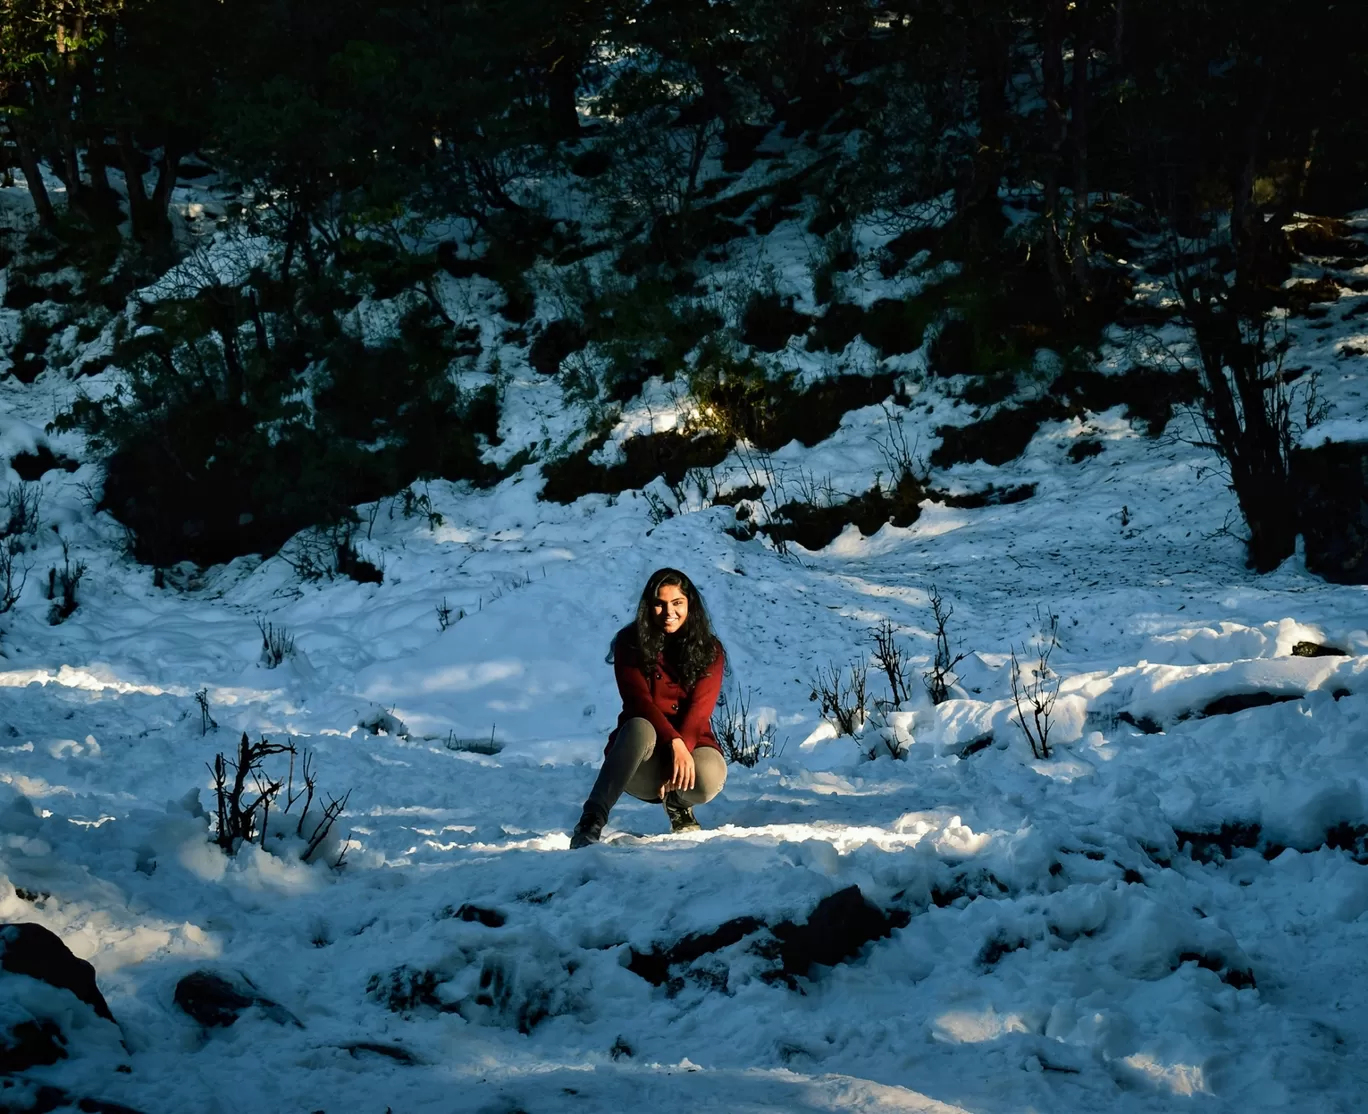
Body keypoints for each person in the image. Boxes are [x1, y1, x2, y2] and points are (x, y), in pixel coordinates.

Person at [569, 568, 727, 848]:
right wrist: (675, 743)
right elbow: (638, 700)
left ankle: (678, 804)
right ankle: (592, 819)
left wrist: (684, 747)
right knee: (640, 725)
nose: (669, 611)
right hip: (641, 756)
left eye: (677, 603)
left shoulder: (710, 650)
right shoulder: (630, 643)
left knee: (711, 775)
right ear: (648, 606)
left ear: (689, 604)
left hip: (691, 747)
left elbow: (700, 711)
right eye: (660, 603)